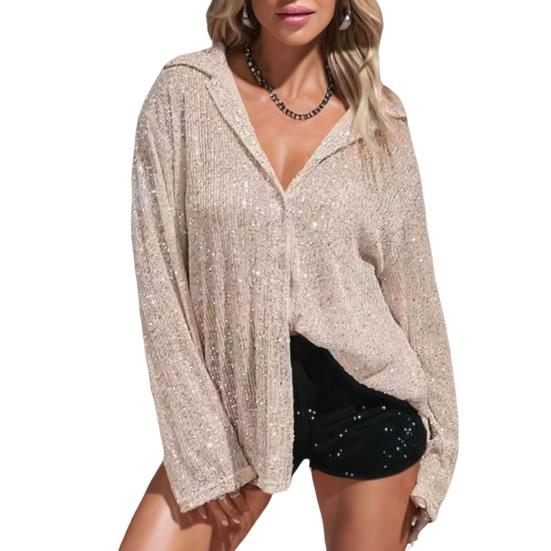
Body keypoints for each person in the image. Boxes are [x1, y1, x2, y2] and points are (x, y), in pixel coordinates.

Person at [120, 1, 459, 549]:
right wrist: (200, 445)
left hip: (370, 399)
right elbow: (160, 282)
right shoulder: (186, 95)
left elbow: (413, 290)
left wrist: (442, 449)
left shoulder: (380, 119)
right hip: (237, 405)